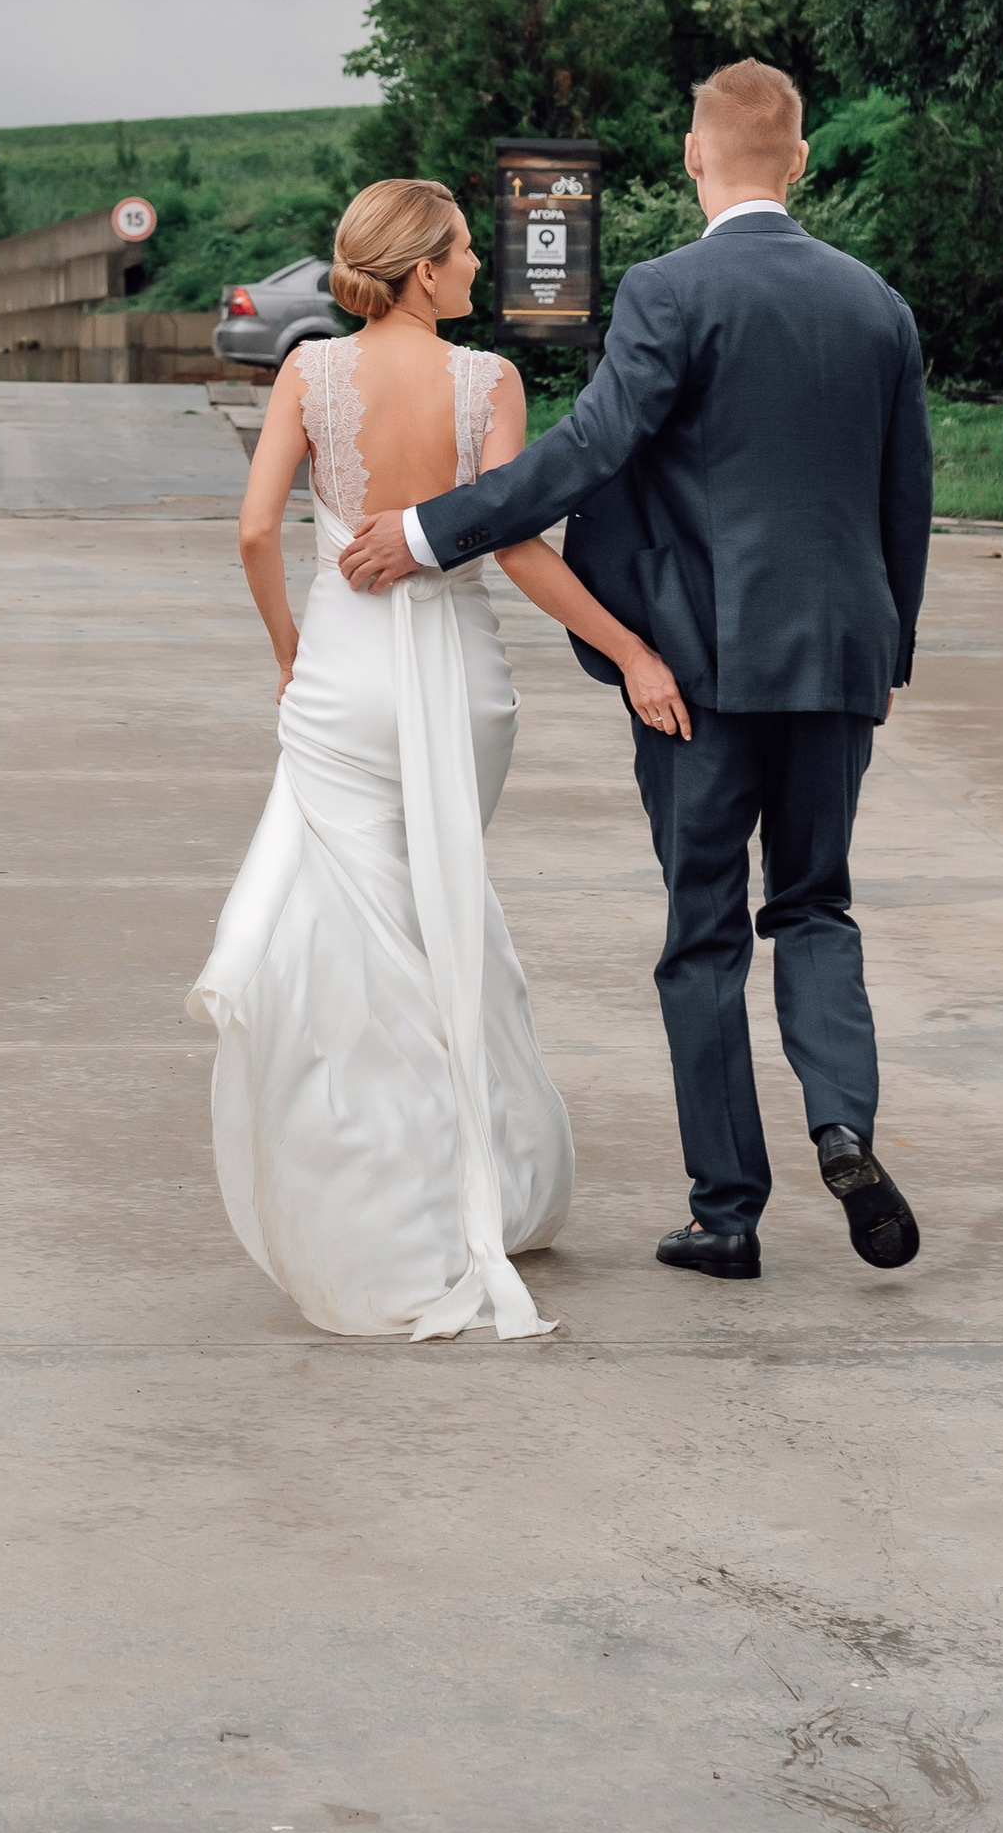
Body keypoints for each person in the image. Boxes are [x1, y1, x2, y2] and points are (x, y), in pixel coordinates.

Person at [341, 62, 932, 1283]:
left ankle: (727, 1215)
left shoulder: (670, 291)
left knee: (704, 932)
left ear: (691, 156)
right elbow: (904, 501)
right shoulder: (876, 304)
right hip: (837, 660)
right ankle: (842, 1125)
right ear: (803, 161)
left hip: (698, 673)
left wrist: (424, 529)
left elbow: (591, 450)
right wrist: (888, 650)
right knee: (816, 904)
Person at [190, 177, 679, 1341]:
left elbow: (258, 529)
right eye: (463, 252)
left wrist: (288, 647)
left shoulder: (307, 372)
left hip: (341, 682)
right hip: (464, 683)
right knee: (441, 909)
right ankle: (489, 1179)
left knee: (359, 935)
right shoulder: (488, 384)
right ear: (422, 270)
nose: (476, 269)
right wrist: (628, 648)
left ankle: (382, 1192)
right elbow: (512, 544)